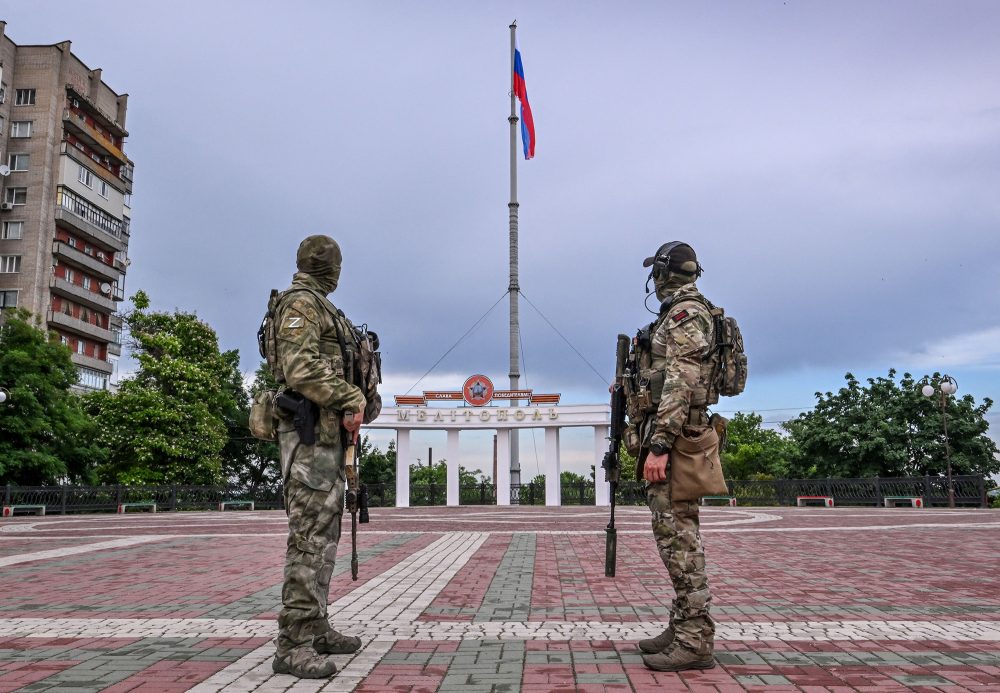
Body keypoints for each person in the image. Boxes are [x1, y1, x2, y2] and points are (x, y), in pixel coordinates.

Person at [270, 235, 374, 678]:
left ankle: (315, 626)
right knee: (309, 541)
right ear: (328, 266)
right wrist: (352, 396)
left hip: (329, 442)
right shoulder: (301, 304)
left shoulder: (323, 306)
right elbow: (299, 368)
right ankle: (292, 643)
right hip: (310, 441)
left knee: (324, 540)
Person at [630, 241, 718, 672]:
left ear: (663, 274)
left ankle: (695, 638)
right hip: (678, 435)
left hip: (678, 442)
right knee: (673, 536)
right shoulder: (683, 313)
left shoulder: (685, 314)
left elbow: (681, 382)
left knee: (679, 538)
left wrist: (660, 445)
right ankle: (682, 624)